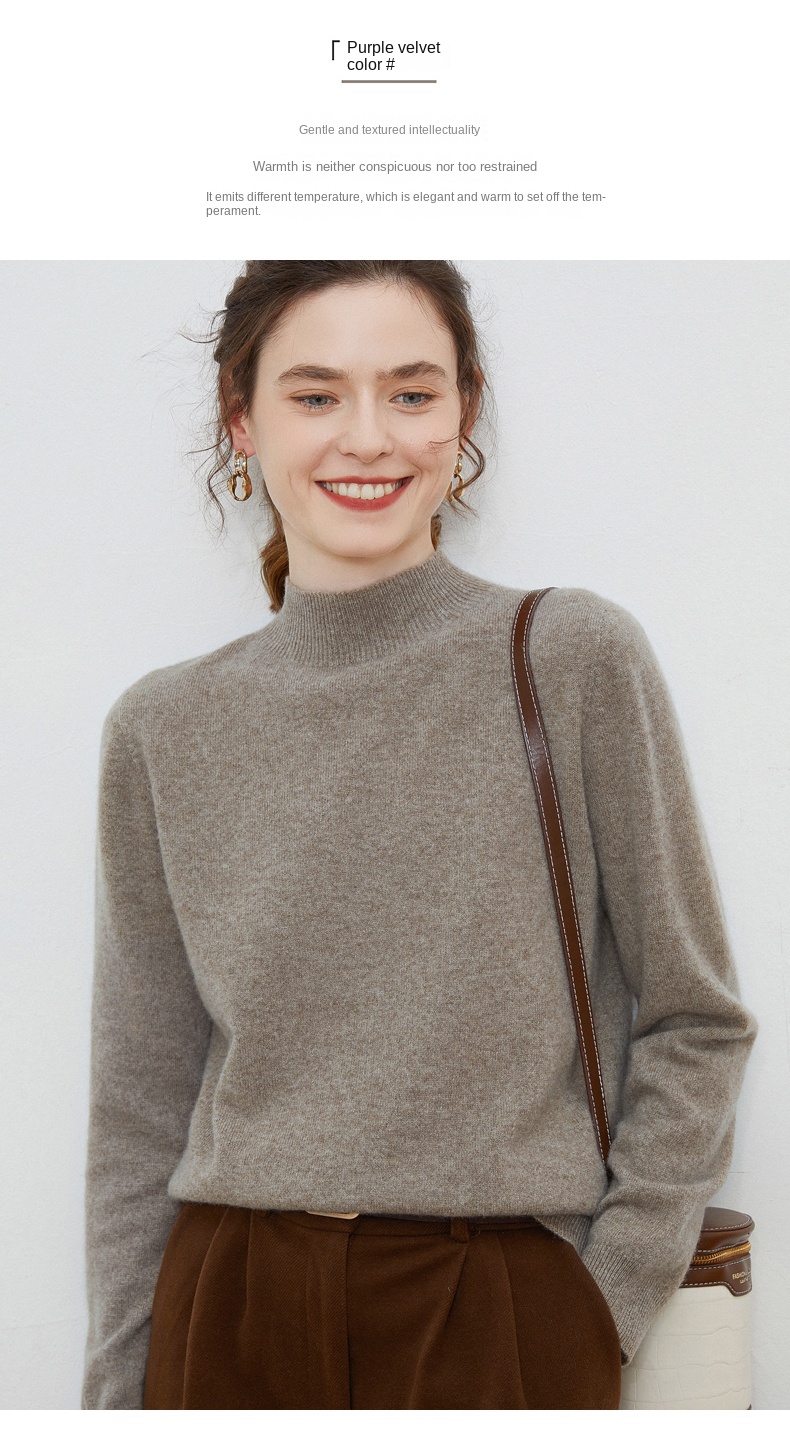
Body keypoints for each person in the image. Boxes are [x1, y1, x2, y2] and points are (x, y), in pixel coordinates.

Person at [82, 260, 757, 1410]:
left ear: (463, 411)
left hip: (493, 1302)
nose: (367, 436)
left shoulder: (569, 656)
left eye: (410, 391)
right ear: (241, 419)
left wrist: (599, 1303)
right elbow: (139, 1103)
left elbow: (694, 1017)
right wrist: (114, 1395)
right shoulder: (163, 725)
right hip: (227, 1306)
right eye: (314, 394)